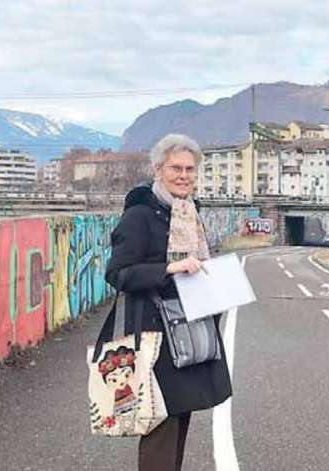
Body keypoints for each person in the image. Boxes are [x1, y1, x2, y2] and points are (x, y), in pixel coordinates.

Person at [104, 134, 232, 471]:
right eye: (176, 168)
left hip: (188, 329)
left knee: (180, 416)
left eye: (190, 169)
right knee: (160, 422)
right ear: (158, 169)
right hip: (154, 336)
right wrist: (168, 269)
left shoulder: (187, 211)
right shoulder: (140, 215)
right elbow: (117, 273)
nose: (184, 175)